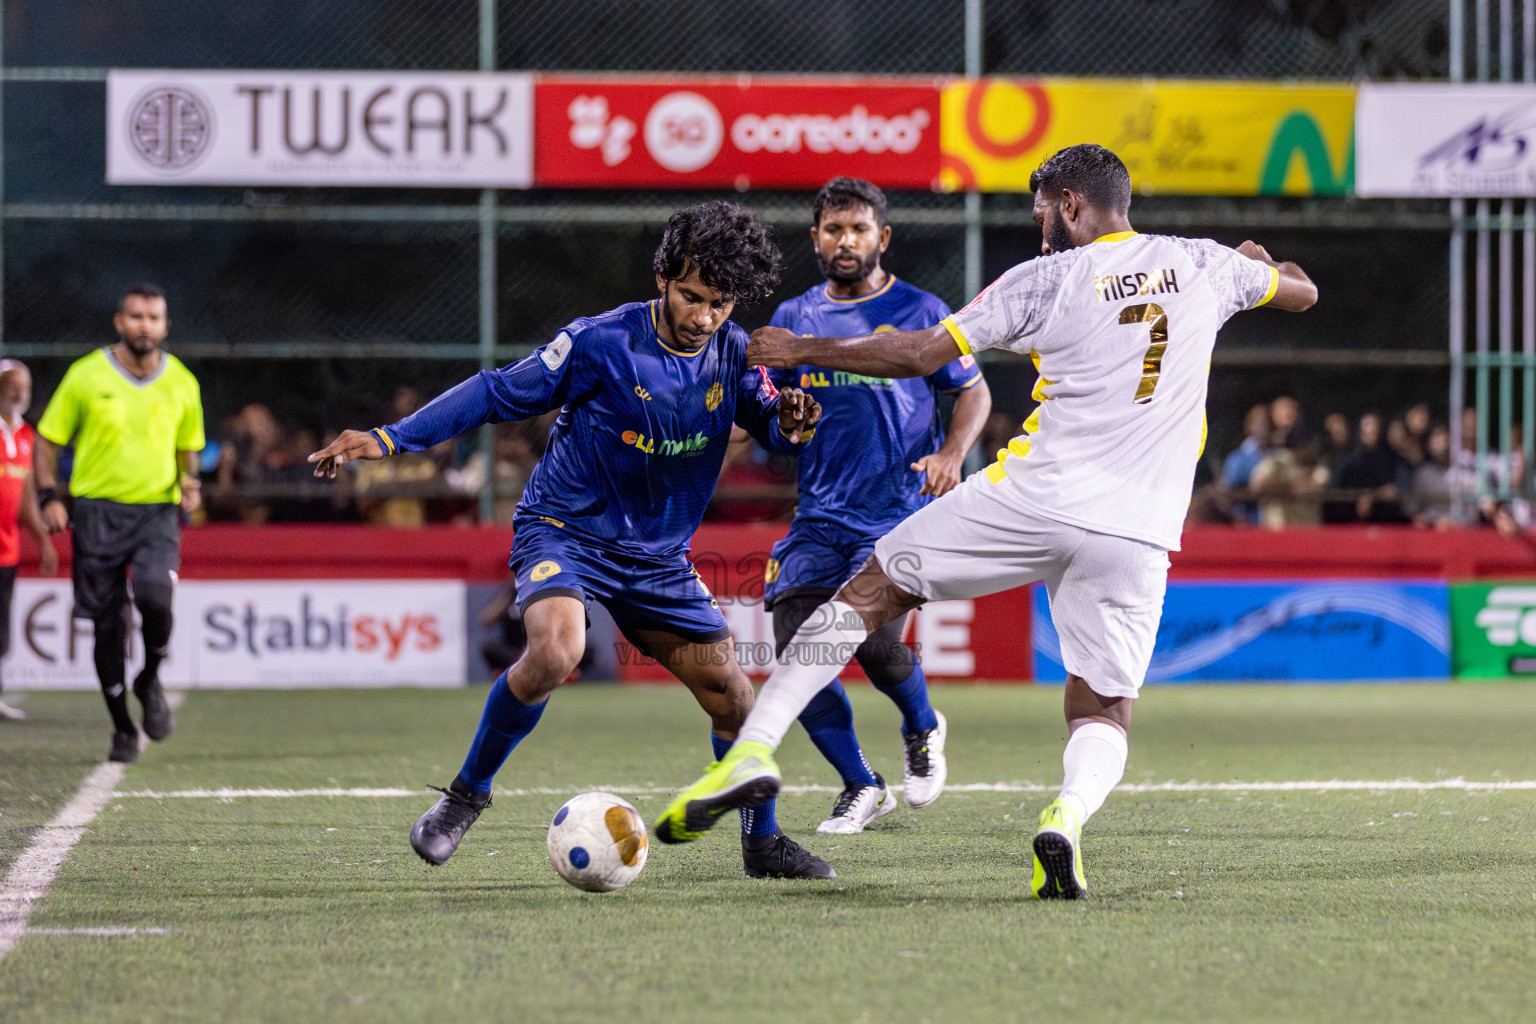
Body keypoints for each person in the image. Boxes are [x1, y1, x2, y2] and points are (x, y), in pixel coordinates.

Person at [655, 144, 1317, 899]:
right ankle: (1065, 818)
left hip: (1036, 497)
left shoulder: (1044, 279)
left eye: (1042, 211)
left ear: (1071, 205)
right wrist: (1259, 264)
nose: (1040, 227)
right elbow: (1302, 291)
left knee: (870, 591)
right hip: (1140, 529)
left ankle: (756, 748)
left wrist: (802, 348)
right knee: (1103, 707)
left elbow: (919, 353)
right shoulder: (1204, 263)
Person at [308, 202, 833, 880]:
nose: (704, 317)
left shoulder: (734, 352)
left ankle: (761, 845)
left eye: (720, 303)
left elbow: (769, 422)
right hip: (566, 529)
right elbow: (495, 392)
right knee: (558, 650)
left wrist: (793, 423)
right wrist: (389, 438)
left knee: (733, 696)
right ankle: (464, 797)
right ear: (662, 278)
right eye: (691, 296)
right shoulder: (600, 342)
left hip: (656, 557)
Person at [737, 177, 991, 835]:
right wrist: (773, 415)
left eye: (857, 229)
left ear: (883, 237)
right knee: (795, 647)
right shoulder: (794, 317)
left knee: (875, 646)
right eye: (833, 230)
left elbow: (973, 391)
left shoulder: (920, 309)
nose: (845, 241)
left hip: (897, 511)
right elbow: (762, 409)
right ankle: (861, 783)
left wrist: (952, 453)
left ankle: (922, 725)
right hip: (819, 515)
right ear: (816, 238)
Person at [33, 284, 205, 763]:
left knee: (155, 595)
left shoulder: (183, 383)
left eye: (153, 317)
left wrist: (190, 482)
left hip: (156, 512)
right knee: (107, 627)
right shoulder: (85, 375)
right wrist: (49, 496)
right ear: (119, 321)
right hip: (96, 513)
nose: (144, 325)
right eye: (135, 316)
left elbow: (188, 450)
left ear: (165, 326)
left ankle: (148, 679)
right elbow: (47, 442)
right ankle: (122, 727)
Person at [0, 361, 57, 720]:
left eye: (26, 386)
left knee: (1, 630)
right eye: (12, 385)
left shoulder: (25, 435)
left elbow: (25, 495)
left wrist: (43, 540)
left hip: (7, 549)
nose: (21, 393)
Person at [1221, 403, 1271, 524]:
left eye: (1266, 421)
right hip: (1246, 521)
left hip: (1275, 523)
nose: (1262, 426)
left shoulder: (1277, 453)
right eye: (1257, 421)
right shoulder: (1237, 458)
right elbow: (1228, 489)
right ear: (1248, 425)